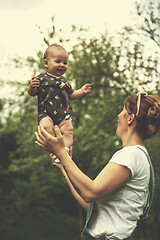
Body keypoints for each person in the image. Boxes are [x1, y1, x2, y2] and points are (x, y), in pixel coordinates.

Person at [35, 92, 160, 240]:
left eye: (123, 110)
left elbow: (90, 192)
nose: (118, 115)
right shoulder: (136, 156)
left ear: (130, 119)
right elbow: (91, 205)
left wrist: (61, 153)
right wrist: (64, 166)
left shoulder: (131, 155)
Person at [28, 44, 91, 159]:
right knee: (45, 127)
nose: (62, 65)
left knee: (68, 130)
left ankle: (64, 151)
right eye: (58, 61)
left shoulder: (64, 81)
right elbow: (32, 93)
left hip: (63, 113)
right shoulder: (41, 78)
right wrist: (32, 86)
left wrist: (82, 91)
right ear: (46, 63)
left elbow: (71, 95)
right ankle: (54, 149)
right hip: (46, 112)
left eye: (65, 63)